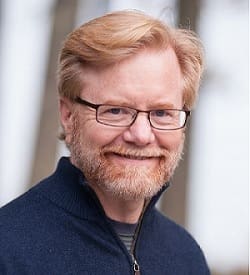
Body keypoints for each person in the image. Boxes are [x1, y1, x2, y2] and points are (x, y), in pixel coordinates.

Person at [0, 10, 210, 275]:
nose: (142, 135)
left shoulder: (186, 257)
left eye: (161, 113)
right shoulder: (8, 250)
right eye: (115, 110)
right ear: (68, 115)